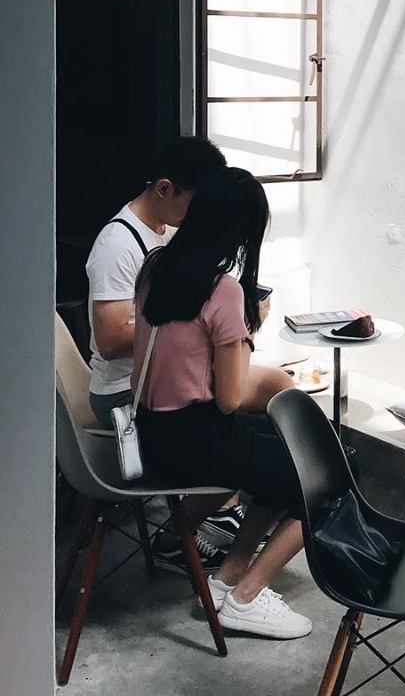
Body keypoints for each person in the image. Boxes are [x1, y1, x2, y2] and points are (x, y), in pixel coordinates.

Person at [132, 166, 311, 640]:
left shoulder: (155, 267)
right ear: (241, 231)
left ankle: (227, 578)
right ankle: (247, 596)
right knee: (320, 476)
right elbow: (230, 400)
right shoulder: (223, 290)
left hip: (150, 431)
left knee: (279, 457)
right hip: (195, 441)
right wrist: (248, 328)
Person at [85, 136, 241, 568]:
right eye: (194, 203)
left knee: (266, 388)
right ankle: (196, 527)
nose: (199, 216)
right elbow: (110, 340)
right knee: (242, 417)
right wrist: (187, 327)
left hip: (161, 379)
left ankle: (218, 513)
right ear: (165, 188)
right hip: (124, 395)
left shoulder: (169, 231)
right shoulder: (118, 245)